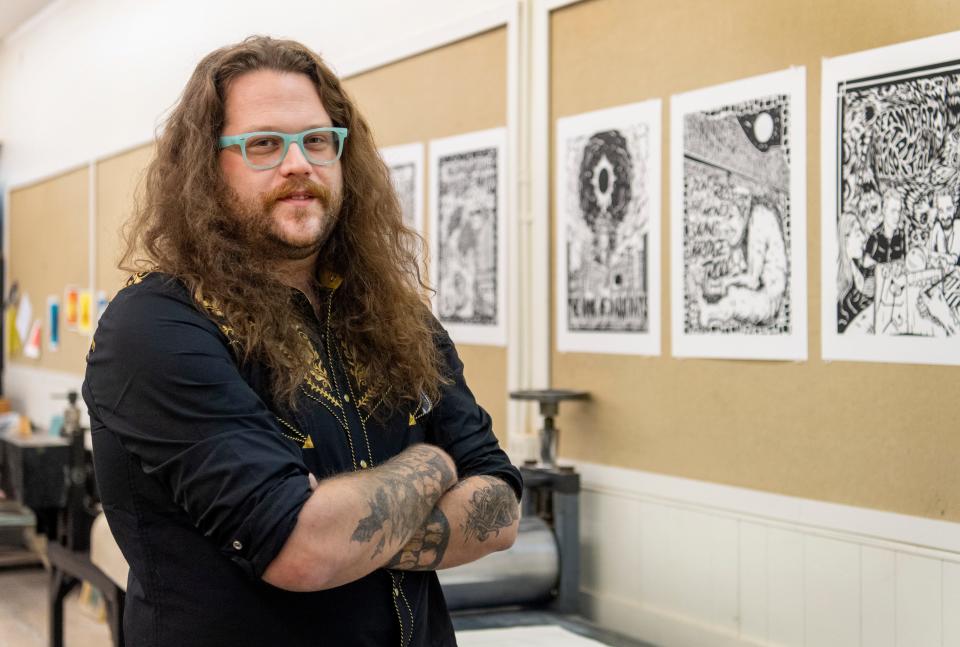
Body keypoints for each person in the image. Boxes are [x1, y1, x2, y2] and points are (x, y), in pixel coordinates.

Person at [83, 36, 521, 647]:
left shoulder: (393, 315)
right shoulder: (156, 326)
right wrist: (434, 463)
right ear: (206, 167)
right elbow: (301, 549)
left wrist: (357, 533)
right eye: (263, 144)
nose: (298, 164)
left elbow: (500, 508)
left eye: (317, 140)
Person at [698, 189, 788, 327]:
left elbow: (752, 280)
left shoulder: (758, 217)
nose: (725, 227)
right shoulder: (755, 214)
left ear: (743, 207)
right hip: (764, 296)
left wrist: (725, 282)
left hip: (768, 303)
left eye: (730, 216)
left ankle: (710, 312)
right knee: (728, 294)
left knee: (730, 300)